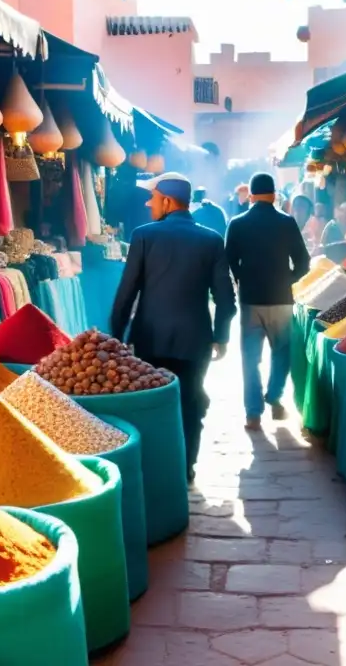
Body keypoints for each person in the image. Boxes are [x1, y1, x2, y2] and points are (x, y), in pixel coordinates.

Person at [110, 173, 236, 482]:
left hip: (149, 339)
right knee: (190, 403)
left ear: (167, 201)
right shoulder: (211, 239)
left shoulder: (143, 235)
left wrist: (117, 336)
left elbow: (126, 293)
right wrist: (220, 336)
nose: (148, 204)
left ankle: (156, 468)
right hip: (195, 340)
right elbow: (226, 299)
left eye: (152, 198)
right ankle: (186, 468)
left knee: (151, 402)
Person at [225, 173, 310, 431]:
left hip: (251, 300)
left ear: (250, 196)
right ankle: (274, 396)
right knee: (281, 353)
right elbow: (304, 262)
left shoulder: (237, 223)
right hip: (281, 299)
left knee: (250, 359)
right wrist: (288, 280)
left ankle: (253, 413)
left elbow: (228, 261)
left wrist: (241, 279)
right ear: (274, 196)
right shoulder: (287, 223)